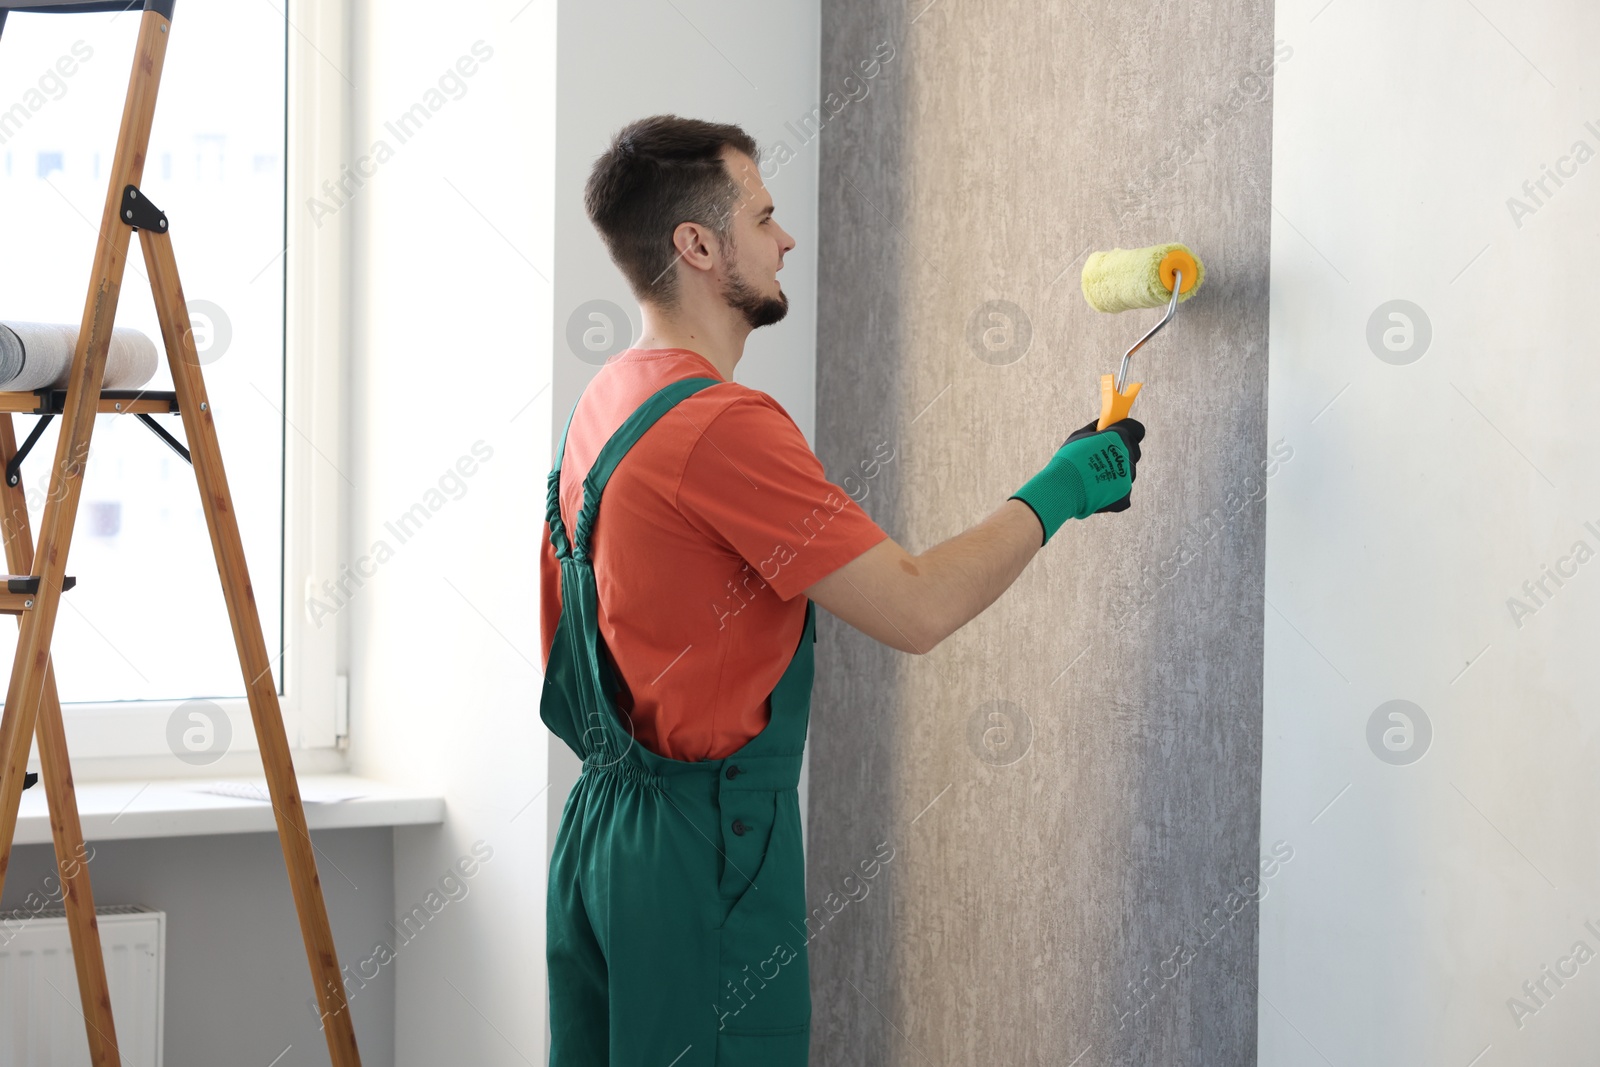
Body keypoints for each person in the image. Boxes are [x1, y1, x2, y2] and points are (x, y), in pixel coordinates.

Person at [539, 114, 1143, 1067]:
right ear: (697, 246)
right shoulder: (722, 427)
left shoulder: (609, 396)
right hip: (708, 853)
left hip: (603, 843)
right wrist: (1067, 481)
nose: (786, 239)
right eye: (765, 215)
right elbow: (916, 605)